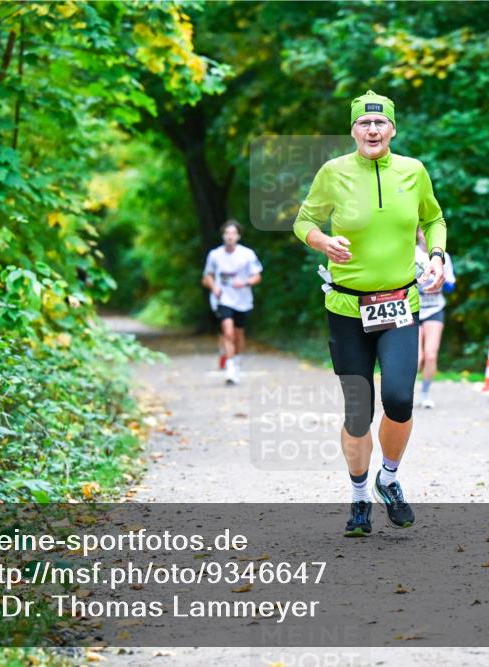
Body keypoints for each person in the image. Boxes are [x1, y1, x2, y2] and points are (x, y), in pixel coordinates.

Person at [293, 90, 448, 536]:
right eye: (364, 123)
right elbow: (304, 221)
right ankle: (359, 496)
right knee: (358, 413)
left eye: (381, 124)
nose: (373, 130)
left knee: (399, 399)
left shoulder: (413, 172)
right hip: (346, 307)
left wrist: (436, 254)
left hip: (400, 305)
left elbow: (434, 218)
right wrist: (322, 242)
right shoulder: (333, 172)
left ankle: (389, 479)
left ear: (393, 130)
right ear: (354, 130)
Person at [202, 221, 263, 385]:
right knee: (227, 332)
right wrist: (214, 287)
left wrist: (244, 283)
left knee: (238, 334)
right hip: (223, 299)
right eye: (227, 233)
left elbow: (258, 276)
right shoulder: (215, 255)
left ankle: (237, 361)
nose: (230, 236)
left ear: (238, 236)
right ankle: (230, 369)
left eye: (233, 233)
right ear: (223, 235)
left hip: (242, 300)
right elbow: (207, 276)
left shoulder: (247, 254)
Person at [415, 228, 456, 409]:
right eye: (422, 232)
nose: (425, 236)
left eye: (428, 232)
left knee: (430, 355)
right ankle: (404, 393)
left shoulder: (443, 257)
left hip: (434, 309)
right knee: (416, 357)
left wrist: (443, 281)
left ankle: (425, 394)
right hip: (413, 310)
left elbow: (451, 287)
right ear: (416, 234)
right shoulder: (410, 254)